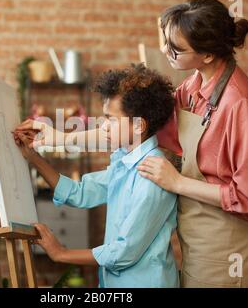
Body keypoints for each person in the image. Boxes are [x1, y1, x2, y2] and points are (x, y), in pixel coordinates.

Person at [15, 0, 248, 288]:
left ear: (208, 55)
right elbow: (129, 128)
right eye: (167, 42)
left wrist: (177, 183)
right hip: (197, 242)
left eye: (176, 48)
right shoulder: (191, 88)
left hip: (227, 249)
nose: (165, 51)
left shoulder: (238, 103)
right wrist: (60, 137)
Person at [14, 64, 179, 288]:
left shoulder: (153, 175)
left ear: (139, 125)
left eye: (111, 119)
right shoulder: (125, 161)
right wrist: (33, 158)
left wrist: (61, 254)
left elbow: (123, 252)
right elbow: (79, 192)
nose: (104, 127)